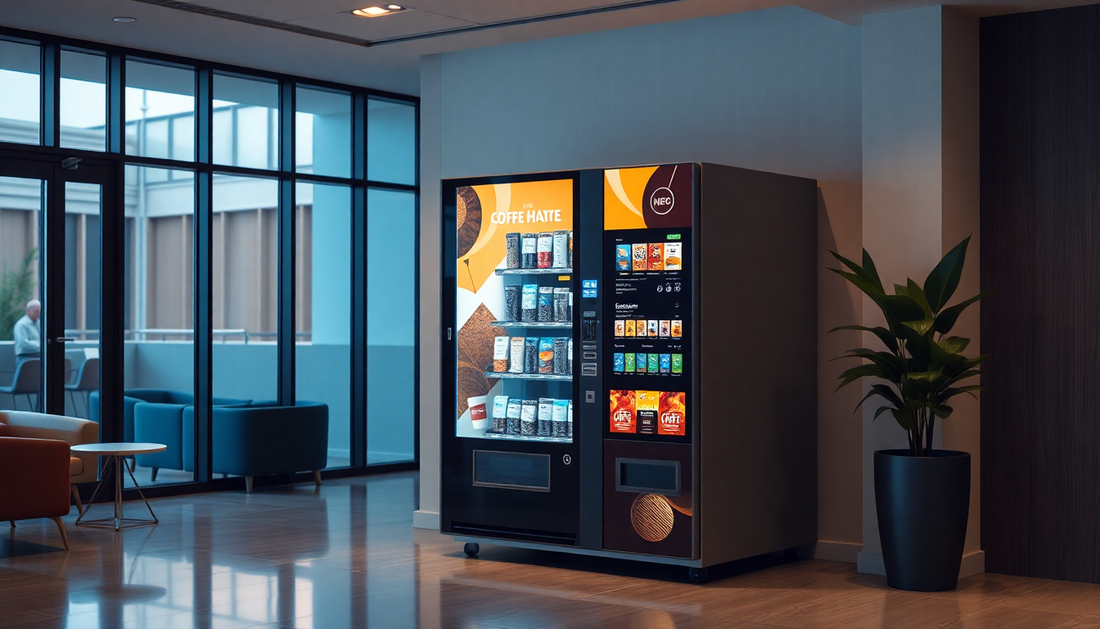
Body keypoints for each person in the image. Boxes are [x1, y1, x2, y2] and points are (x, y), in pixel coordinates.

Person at [13, 299, 41, 365]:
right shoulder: (21, 325)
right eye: (36, 312)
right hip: (25, 357)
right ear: (28, 312)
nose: (38, 314)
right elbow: (24, 343)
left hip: (38, 355)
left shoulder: (39, 323)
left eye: (39, 311)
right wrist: (40, 345)